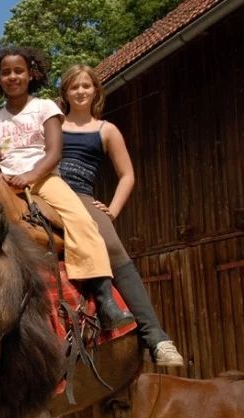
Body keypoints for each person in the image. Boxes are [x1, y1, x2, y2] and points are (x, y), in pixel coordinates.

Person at [0, 46, 134, 330]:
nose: (12, 76)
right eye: (6, 72)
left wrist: (31, 175)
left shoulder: (45, 107)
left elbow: (54, 151)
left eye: (19, 71)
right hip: (5, 184)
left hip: (44, 178)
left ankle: (105, 299)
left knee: (82, 221)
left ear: (31, 74)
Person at [58, 64, 184, 366]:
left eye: (86, 86)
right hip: (48, 191)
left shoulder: (106, 130)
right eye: (74, 86)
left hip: (80, 196)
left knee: (112, 246)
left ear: (95, 91)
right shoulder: (53, 124)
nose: (80, 91)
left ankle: (156, 337)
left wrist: (112, 210)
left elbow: (127, 175)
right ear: (65, 93)